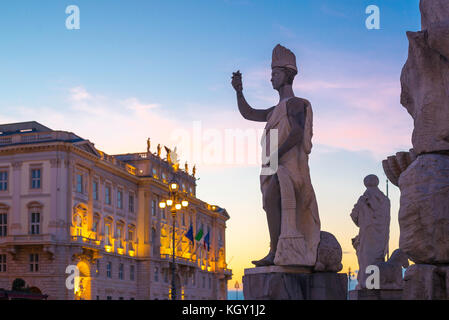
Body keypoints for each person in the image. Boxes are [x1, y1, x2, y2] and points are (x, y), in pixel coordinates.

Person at [231, 44, 320, 266]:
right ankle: (276, 249)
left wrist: (276, 154)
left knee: (273, 199)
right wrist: (239, 91)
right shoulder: (274, 110)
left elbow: (298, 133)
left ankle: (276, 251)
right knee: (271, 203)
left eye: (274, 74)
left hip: (289, 166)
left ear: (286, 75)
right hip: (273, 165)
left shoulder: (295, 104)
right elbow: (249, 113)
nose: (271, 79)